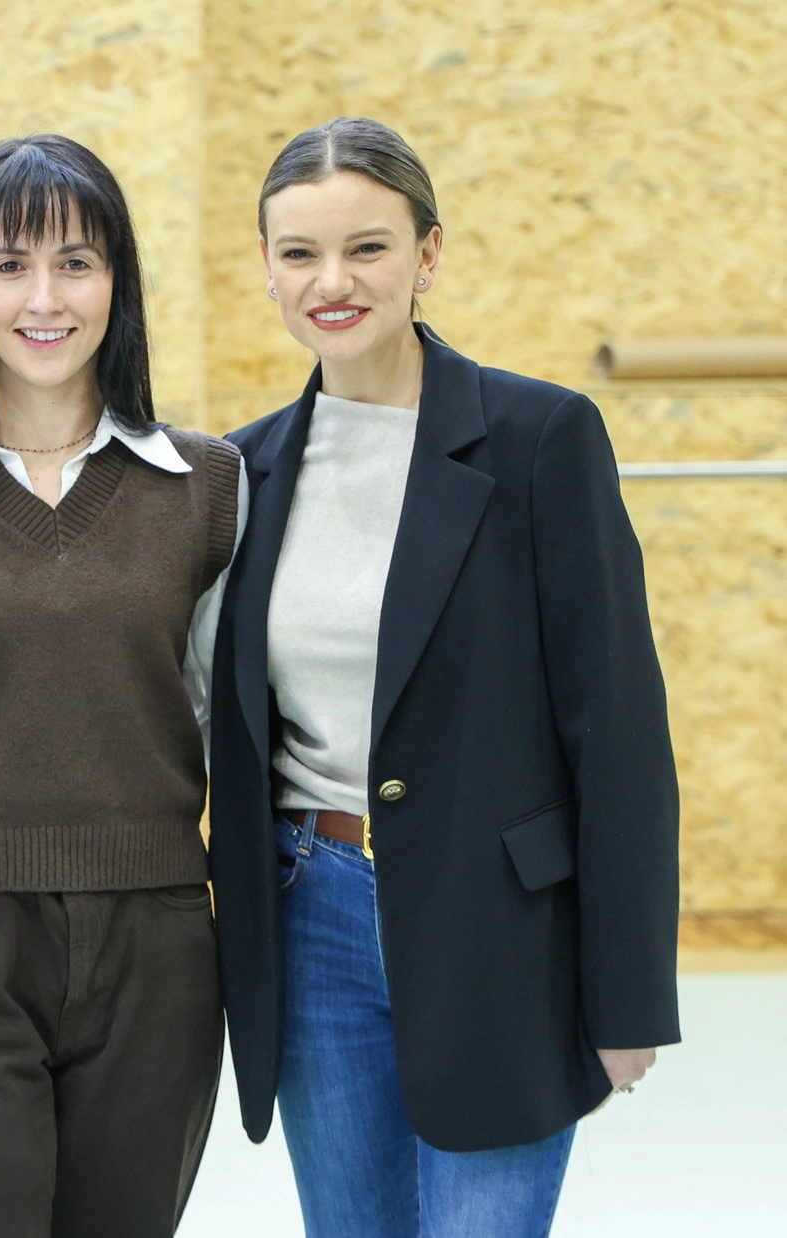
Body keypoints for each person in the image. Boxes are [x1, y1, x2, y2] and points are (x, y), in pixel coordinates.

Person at [207, 116, 681, 1236]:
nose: (332, 281)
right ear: (267, 268)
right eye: (300, 252)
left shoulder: (539, 438)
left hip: (497, 928)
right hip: (310, 918)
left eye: (367, 247)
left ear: (427, 255)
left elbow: (617, 729)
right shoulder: (242, 469)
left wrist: (628, 995)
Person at [0, 134, 245, 1238]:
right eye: (9, 265)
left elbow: (218, 716)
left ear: (119, 282)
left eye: (77, 263)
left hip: (157, 946)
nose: (44, 299)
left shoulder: (208, 487)